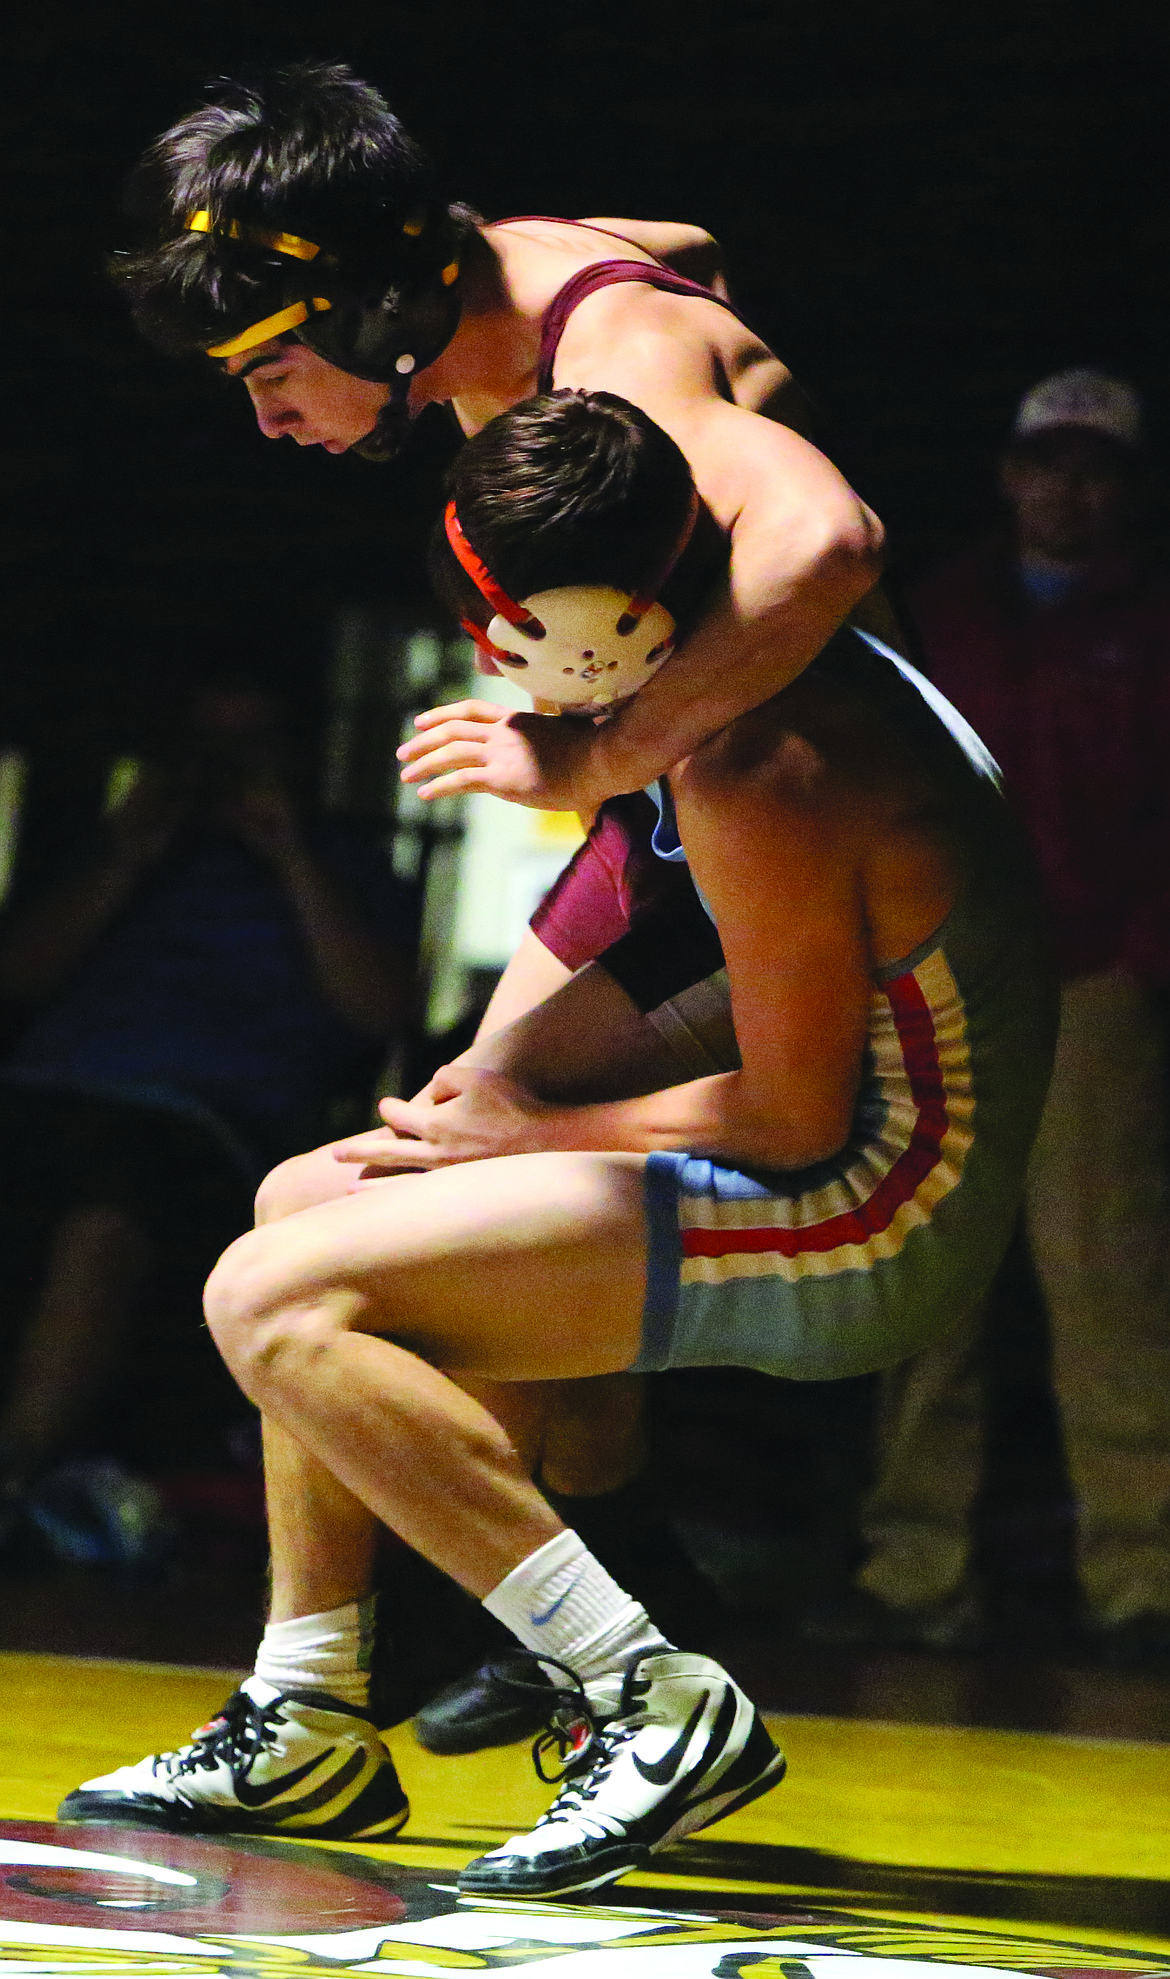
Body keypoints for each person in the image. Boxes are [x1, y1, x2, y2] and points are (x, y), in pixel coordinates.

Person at [59, 393, 1056, 1897]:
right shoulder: (724, 650)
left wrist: (533, 1126)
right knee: (299, 1202)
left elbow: (801, 1115)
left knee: (269, 1298)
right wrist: (513, 1109)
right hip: (840, 1117)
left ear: (605, 620)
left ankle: (651, 1690)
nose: (493, 668)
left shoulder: (749, 766)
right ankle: (313, 1704)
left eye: (510, 634)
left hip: (885, 1204)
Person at [107, 56, 890, 1728]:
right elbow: (680, 237)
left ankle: (555, 1614)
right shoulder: (520, 283)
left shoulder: (612, 355)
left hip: (765, 821)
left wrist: (597, 753)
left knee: (443, 1164)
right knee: (455, 1116)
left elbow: (828, 539)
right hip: (686, 811)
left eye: (273, 367)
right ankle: (553, 1578)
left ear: (385, 302)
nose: (264, 417)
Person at [815, 369, 1170, 1662]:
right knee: (923, 1285)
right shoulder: (946, 607)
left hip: (1089, 988)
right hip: (938, 986)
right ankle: (913, 1570)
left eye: (1093, 467)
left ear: (1122, 488)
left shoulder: (1151, 619)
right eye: (1045, 461)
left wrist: (1137, 959)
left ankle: (1138, 1580)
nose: (1064, 488)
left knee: (1106, 1285)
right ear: (1010, 470)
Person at [0, 680, 416, 1551]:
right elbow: (21, 977)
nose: (223, 776)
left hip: (209, 1126)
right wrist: (126, 854)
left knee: (105, 1212)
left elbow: (379, 1013)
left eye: (248, 753)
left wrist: (291, 855)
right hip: (50, 1092)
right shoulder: (121, 856)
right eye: (205, 754)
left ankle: (14, 1471)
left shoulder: (345, 868)